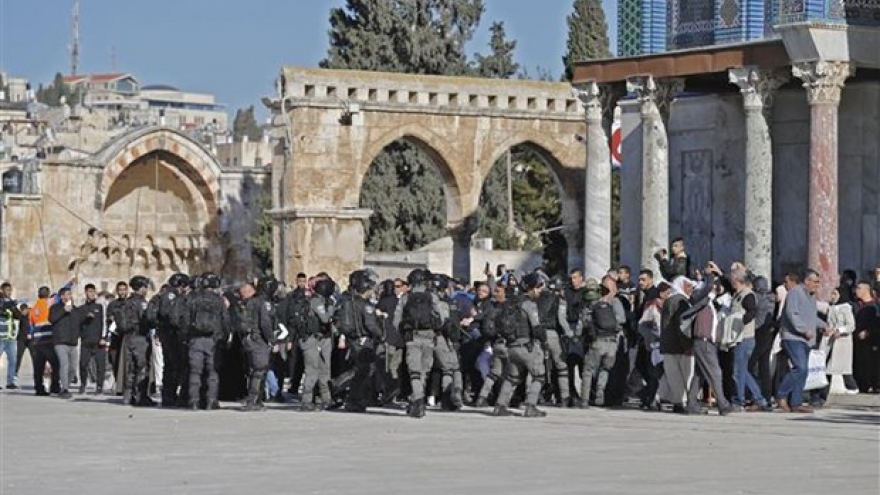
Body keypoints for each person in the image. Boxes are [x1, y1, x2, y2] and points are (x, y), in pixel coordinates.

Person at [491, 273, 548, 418]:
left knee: (511, 378)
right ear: (531, 288)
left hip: (511, 347)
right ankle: (531, 406)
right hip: (526, 346)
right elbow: (536, 327)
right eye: (539, 287)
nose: (540, 290)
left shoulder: (511, 302)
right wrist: (544, 341)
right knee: (539, 376)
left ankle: (500, 406)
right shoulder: (529, 304)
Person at [393, 268, 447, 418]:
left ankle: (417, 400)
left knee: (414, 372)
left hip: (412, 337)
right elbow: (441, 318)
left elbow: (396, 320)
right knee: (424, 371)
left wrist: (403, 333)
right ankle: (417, 399)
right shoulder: (432, 297)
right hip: (429, 337)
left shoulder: (406, 298)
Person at [681, 271, 733, 416]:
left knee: (700, 375)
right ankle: (723, 404)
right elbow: (703, 294)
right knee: (715, 373)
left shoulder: (710, 304)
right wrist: (709, 277)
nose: (716, 289)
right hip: (703, 343)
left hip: (707, 343)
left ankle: (692, 404)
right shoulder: (701, 303)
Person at [776, 270, 822, 413]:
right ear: (807, 281)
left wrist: (825, 326)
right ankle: (781, 395)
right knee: (800, 367)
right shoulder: (796, 293)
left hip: (806, 340)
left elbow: (812, 317)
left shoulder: (811, 297)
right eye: (815, 282)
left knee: (804, 371)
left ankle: (796, 402)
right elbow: (792, 314)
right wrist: (803, 329)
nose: (817, 285)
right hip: (793, 337)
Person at [337, 270, 381, 412]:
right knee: (364, 372)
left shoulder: (347, 300)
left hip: (353, 339)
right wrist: (381, 335)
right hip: (363, 341)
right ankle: (350, 396)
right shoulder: (364, 305)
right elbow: (371, 325)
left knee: (359, 371)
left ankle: (353, 398)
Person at [581, 276, 627, 407]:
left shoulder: (590, 307)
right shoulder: (606, 305)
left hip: (597, 342)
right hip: (612, 343)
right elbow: (619, 322)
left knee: (588, 370)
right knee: (605, 369)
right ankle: (600, 396)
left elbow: (583, 325)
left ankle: (584, 400)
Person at [729, 271, 771, 411]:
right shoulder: (738, 295)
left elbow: (752, 311)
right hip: (737, 337)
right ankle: (760, 399)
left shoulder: (748, 295)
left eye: (733, 279)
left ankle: (738, 401)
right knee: (742, 371)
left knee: (737, 372)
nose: (731, 281)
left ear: (738, 280)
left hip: (744, 337)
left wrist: (742, 321)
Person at [237, 280, 274, 411]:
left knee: (254, 370)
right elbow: (265, 323)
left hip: (247, 340)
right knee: (259, 370)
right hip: (258, 339)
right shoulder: (259, 303)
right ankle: (253, 400)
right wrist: (270, 338)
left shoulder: (243, 304)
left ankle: (256, 399)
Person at [300, 277, 336, 411]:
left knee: (324, 370)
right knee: (312, 370)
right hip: (310, 339)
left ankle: (326, 399)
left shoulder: (322, 300)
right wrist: (332, 307)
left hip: (319, 338)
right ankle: (306, 400)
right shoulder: (316, 301)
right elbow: (325, 318)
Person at [116, 276, 153, 407]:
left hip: (128, 337)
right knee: (142, 367)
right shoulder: (141, 303)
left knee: (130, 367)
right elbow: (148, 319)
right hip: (140, 337)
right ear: (141, 288)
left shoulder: (127, 302)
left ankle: (127, 395)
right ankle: (140, 396)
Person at [821, 287, 858, 394]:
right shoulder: (832, 307)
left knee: (842, 368)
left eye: (835, 294)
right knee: (828, 366)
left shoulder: (846, 308)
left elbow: (851, 325)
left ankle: (852, 387)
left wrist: (840, 330)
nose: (832, 296)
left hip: (842, 342)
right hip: (830, 340)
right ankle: (822, 393)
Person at [29, 286, 60, 396]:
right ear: (48, 294)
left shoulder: (34, 307)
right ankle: (55, 387)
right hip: (47, 340)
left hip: (37, 341)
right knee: (56, 364)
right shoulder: (49, 303)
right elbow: (61, 295)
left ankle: (39, 388)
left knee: (38, 367)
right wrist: (70, 283)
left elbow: (31, 325)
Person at [77, 284, 107, 395]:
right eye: (89, 292)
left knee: (100, 365)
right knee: (83, 364)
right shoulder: (81, 309)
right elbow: (78, 324)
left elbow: (104, 322)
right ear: (86, 293)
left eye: (93, 292)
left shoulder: (99, 307)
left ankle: (99, 386)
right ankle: (83, 384)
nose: (91, 294)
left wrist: (104, 337)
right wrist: (85, 318)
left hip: (99, 341)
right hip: (86, 341)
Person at [49, 287, 78, 399]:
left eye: (70, 294)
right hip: (60, 341)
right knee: (64, 364)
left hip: (73, 342)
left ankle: (67, 385)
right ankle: (64, 388)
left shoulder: (74, 309)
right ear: (62, 296)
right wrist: (64, 310)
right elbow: (51, 319)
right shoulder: (55, 308)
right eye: (67, 294)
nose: (69, 296)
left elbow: (78, 323)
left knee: (73, 368)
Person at [853, 281, 880, 393]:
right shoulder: (857, 306)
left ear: (865, 290)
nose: (856, 291)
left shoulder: (874, 307)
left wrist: (868, 332)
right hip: (858, 341)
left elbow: (877, 324)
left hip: (871, 342)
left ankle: (873, 385)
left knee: (871, 364)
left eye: (859, 288)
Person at [0, 287, 20, 390]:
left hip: (10, 337)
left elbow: (18, 316)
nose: (9, 292)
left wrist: (16, 309)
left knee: (13, 360)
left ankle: (11, 381)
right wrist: (12, 303)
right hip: (0, 336)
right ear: (2, 290)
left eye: (10, 290)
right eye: (7, 290)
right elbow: (2, 307)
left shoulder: (11, 303)